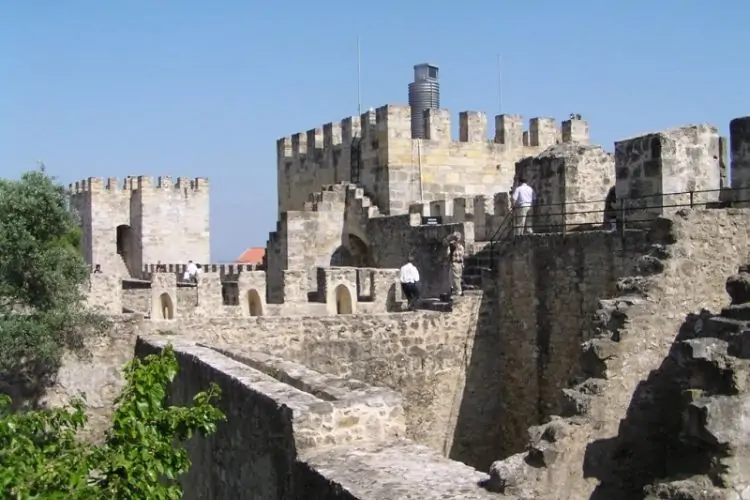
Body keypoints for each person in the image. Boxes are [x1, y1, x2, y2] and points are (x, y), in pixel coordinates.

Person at [446, 232, 465, 297]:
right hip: (460, 264)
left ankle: (458, 292)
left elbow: (448, 255)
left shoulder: (451, 246)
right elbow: (462, 255)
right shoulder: (461, 247)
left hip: (454, 263)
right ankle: (455, 290)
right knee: (456, 277)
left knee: (455, 279)